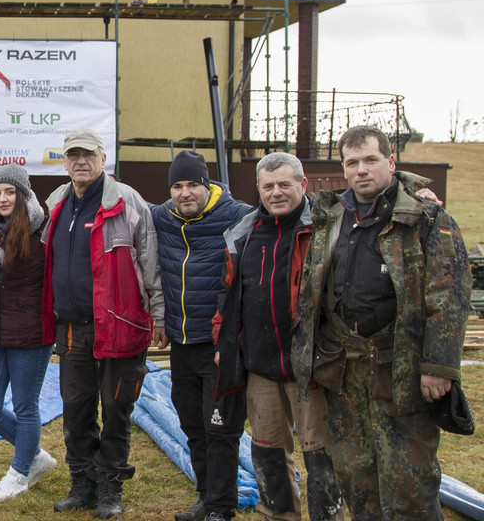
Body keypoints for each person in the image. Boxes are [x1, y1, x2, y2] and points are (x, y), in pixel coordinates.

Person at [292, 125, 470, 520]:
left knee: (408, 479)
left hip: (402, 371)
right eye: (351, 163)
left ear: (391, 162)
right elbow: (313, 293)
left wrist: (438, 367)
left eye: (371, 160)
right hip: (345, 369)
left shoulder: (425, 218)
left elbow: (449, 299)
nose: (361, 170)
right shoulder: (331, 218)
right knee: (356, 474)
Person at [214, 152, 344, 521]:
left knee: (320, 452)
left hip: (310, 364)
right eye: (268, 186)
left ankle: (327, 517)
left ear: (303, 185)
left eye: (285, 184)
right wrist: (224, 342)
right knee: (267, 449)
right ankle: (279, 514)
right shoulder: (244, 233)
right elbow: (227, 293)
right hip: (260, 364)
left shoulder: (325, 226)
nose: (277, 193)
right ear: (258, 189)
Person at [44, 128, 163, 519]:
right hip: (73, 329)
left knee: (116, 409)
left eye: (88, 154)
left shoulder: (128, 202)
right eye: (73, 155)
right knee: (76, 409)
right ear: (64, 161)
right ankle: (83, 482)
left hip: (120, 326)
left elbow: (150, 264)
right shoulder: (57, 202)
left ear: (102, 158)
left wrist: (158, 316)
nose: (80, 161)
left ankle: (110, 486)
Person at [149, 151, 251, 521]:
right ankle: (207, 497)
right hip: (182, 342)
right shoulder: (163, 217)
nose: (185, 192)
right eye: (177, 185)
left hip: (222, 346)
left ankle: (222, 507)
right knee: (192, 423)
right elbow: (122, 202)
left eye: (192, 184)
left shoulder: (237, 216)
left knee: (220, 427)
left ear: (207, 185)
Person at [0, 164, 58, 502]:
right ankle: (35, 457)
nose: (3, 198)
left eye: (10, 191)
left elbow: (54, 282)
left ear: (23, 194)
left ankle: (20, 471)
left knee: (25, 405)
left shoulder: (42, 230)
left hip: (31, 333)